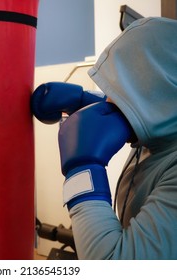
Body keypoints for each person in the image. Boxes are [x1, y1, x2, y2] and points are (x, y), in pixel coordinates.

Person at [31, 17, 177, 259]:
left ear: (156, 93)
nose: (110, 100)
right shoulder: (161, 123)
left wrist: (82, 169)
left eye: (128, 88)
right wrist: (83, 99)